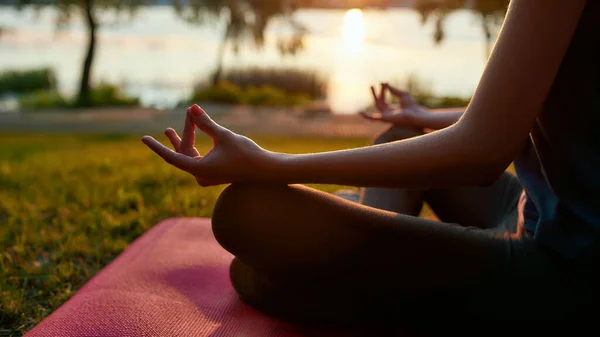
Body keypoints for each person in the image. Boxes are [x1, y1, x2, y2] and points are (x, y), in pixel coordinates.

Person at [142, 0, 600, 327]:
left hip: (564, 271)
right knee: (401, 136)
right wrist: (424, 117)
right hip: (534, 207)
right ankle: (371, 242)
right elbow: (524, 111)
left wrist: (271, 164)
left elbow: (481, 153)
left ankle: (369, 256)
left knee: (246, 218)